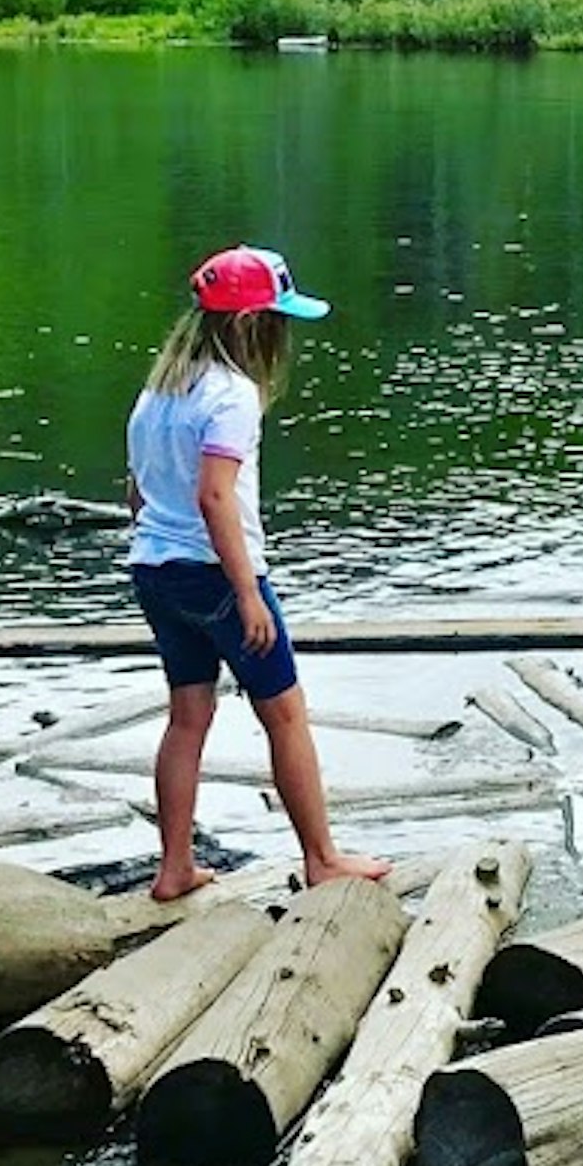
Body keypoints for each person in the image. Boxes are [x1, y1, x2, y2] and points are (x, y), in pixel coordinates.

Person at [122, 244, 389, 899]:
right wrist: (247, 594)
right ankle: (322, 857)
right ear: (248, 325)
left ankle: (174, 867)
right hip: (215, 574)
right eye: (277, 320)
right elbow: (216, 496)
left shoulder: (160, 391)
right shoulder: (231, 395)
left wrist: (160, 539)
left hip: (156, 570)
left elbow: (136, 491)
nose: (283, 335)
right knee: (286, 717)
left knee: (188, 716)